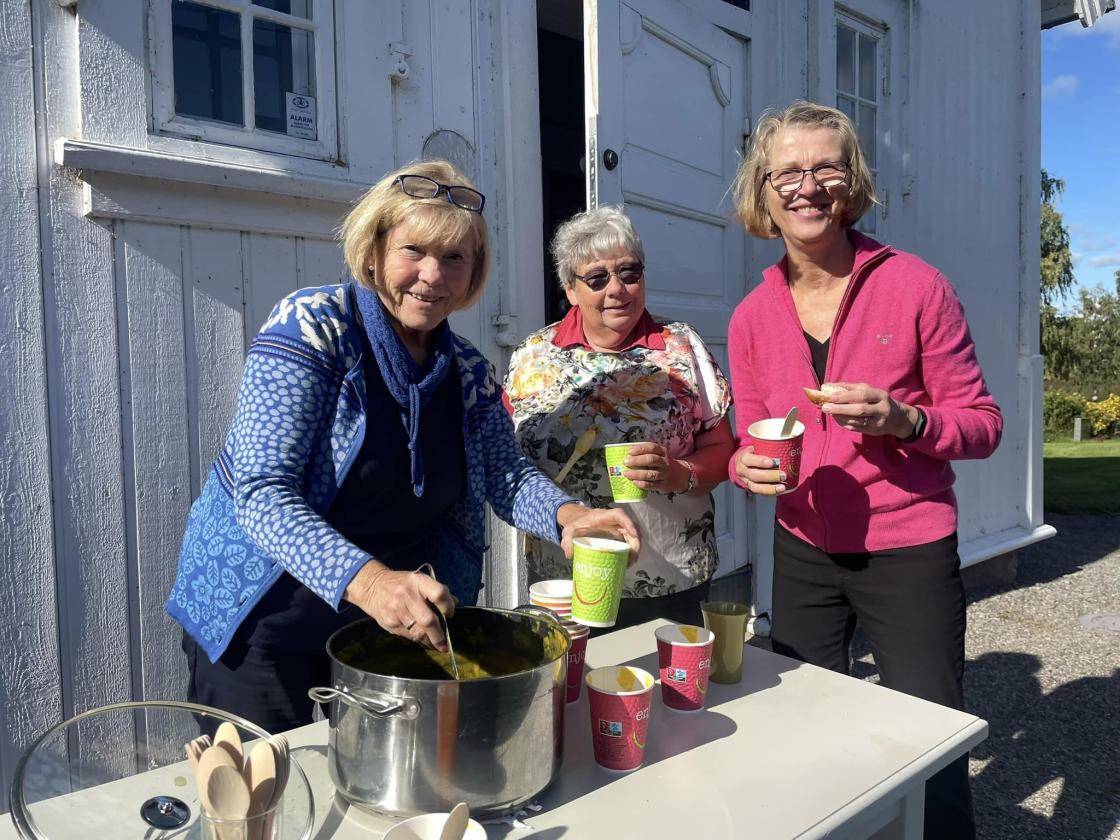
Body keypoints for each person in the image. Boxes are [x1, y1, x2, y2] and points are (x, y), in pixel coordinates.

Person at [165, 160, 639, 733]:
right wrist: (370, 582)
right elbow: (262, 493)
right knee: (268, 796)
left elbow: (504, 473)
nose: (433, 276)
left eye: (454, 258)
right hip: (265, 616)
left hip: (390, 622)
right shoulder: (311, 328)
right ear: (374, 251)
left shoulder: (467, 371)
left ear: (473, 272)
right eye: (413, 250)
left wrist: (569, 515)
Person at [727, 100, 1002, 839]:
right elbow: (744, 439)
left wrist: (904, 421)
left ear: (853, 183)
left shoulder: (916, 285)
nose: (806, 186)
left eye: (826, 168)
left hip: (907, 547)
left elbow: (983, 425)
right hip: (804, 547)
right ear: (762, 188)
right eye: (787, 171)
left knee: (929, 735)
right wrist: (744, 466)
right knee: (807, 724)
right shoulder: (752, 315)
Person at [505, 206, 735, 630]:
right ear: (570, 289)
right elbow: (504, 462)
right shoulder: (533, 357)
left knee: (668, 694)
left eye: (629, 272)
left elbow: (722, 449)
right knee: (573, 691)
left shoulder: (682, 349)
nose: (618, 289)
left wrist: (677, 473)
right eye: (597, 278)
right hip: (566, 578)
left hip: (670, 575)